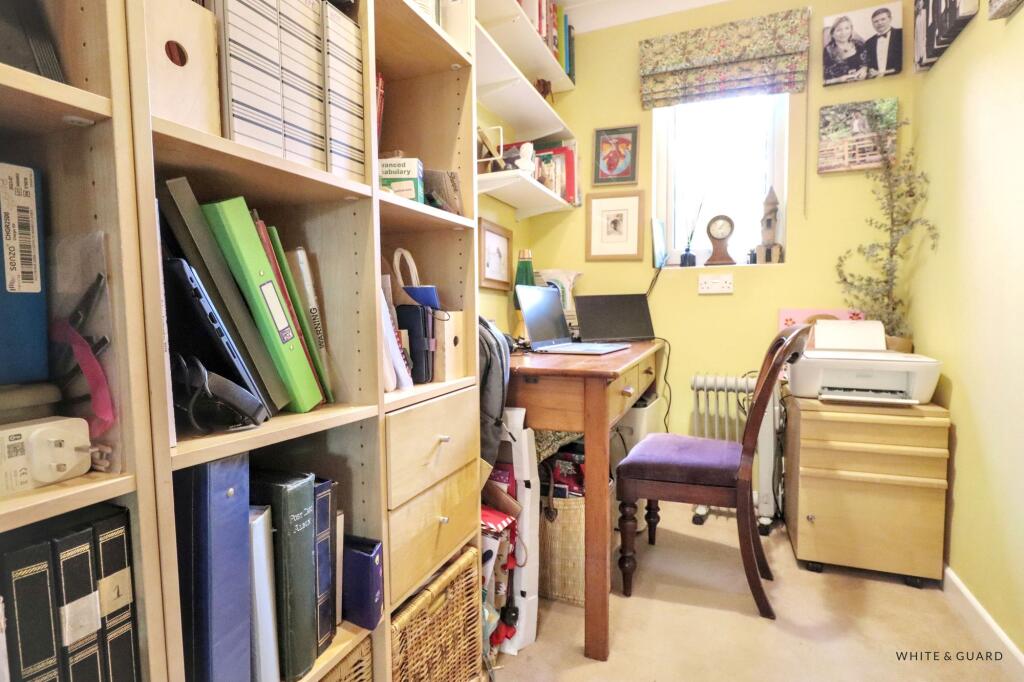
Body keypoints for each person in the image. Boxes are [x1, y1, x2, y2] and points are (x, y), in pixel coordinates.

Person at [823, 16, 867, 85]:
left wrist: (864, 69)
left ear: (851, 30)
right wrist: (838, 80)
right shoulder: (826, 52)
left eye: (847, 28)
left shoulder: (859, 44)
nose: (843, 33)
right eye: (839, 30)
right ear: (832, 33)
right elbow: (821, 81)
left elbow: (867, 63)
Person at [865, 7, 903, 77]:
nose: (879, 23)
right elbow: (868, 65)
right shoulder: (869, 43)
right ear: (872, 24)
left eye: (883, 19)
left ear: (890, 19)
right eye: (876, 21)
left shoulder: (901, 34)